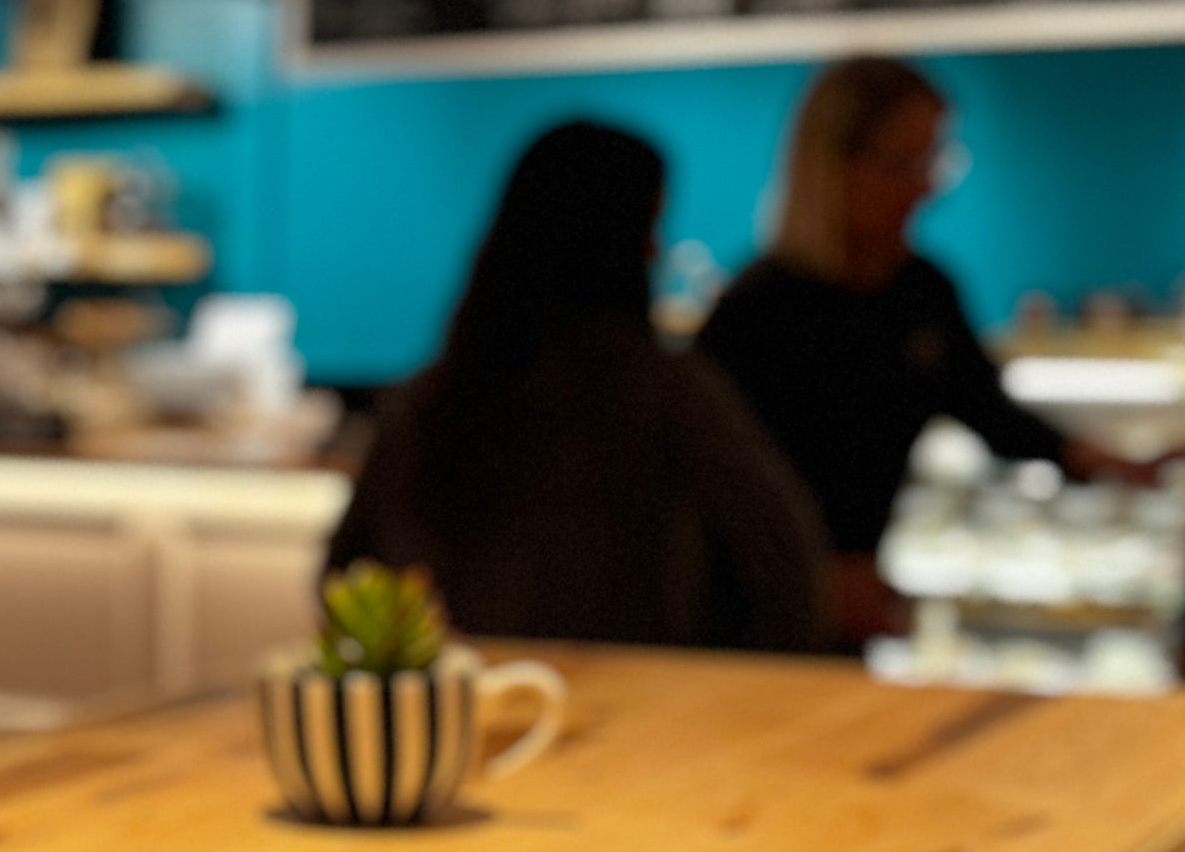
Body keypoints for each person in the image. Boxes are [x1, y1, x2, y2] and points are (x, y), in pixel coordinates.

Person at [328, 120, 826, 653]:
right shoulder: (665, 391)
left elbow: (344, 577)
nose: (656, 252)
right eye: (650, 228)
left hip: (468, 705)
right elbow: (788, 568)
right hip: (633, 711)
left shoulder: (433, 396)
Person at [699, 56, 1149, 642]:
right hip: (750, 616)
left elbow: (987, 407)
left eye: (935, 160)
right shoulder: (756, 310)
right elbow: (714, 491)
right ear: (835, 165)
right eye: (905, 163)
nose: (927, 185)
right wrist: (811, 575)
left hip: (856, 607)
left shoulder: (921, 291)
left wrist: (1102, 460)